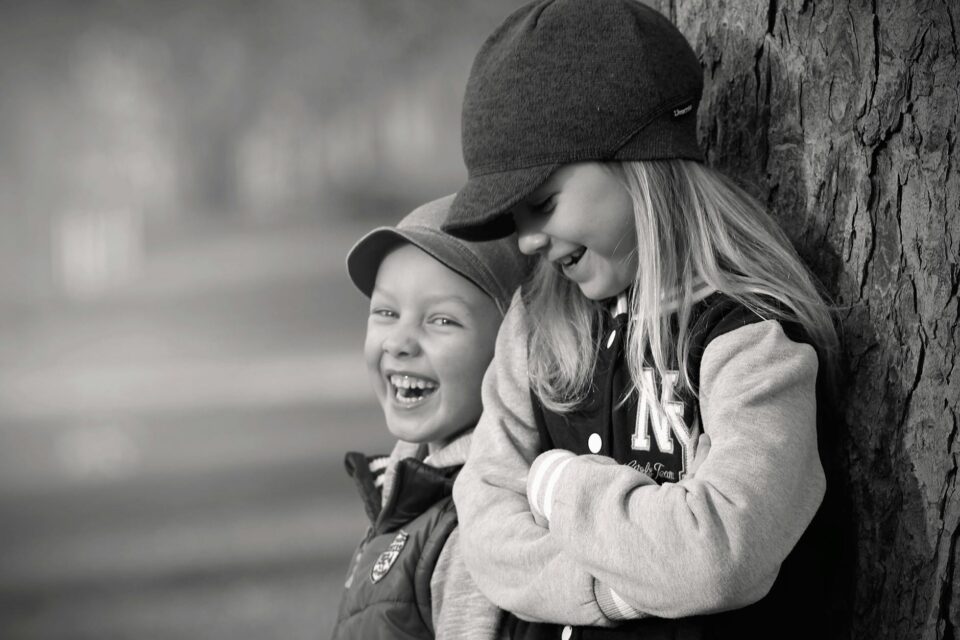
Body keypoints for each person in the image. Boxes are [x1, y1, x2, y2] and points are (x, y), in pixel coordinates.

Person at [441, 1, 841, 638]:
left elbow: (718, 556)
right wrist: (623, 587)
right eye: (513, 219)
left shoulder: (748, 339)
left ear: (639, 164)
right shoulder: (537, 324)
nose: (526, 241)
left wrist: (552, 484)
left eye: (541, 203)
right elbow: (487, 531)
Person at [330, 195, 530, 640]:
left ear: (512, 350)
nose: (399, 343)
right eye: (386, 313)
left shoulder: (476, 527)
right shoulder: (409, 490)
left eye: (441, 320)